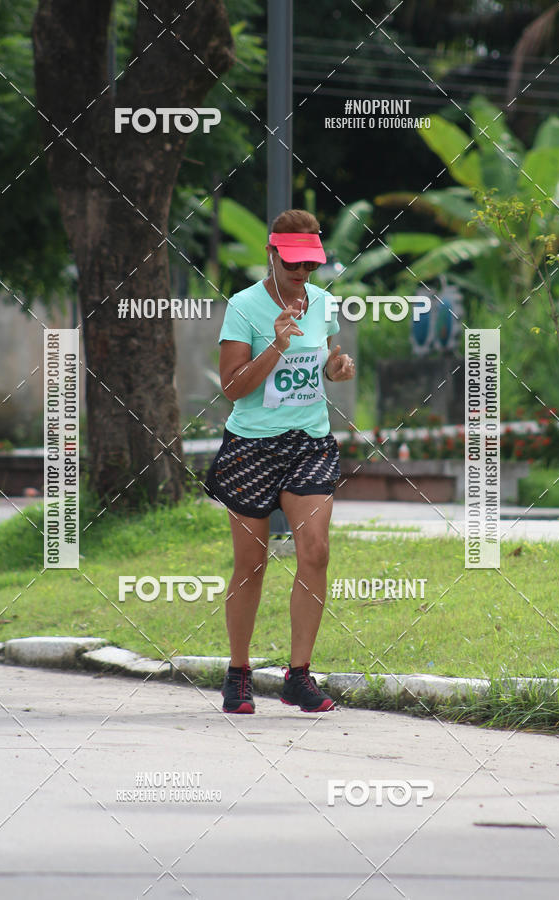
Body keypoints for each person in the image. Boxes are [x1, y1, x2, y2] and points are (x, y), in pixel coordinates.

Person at [204, 209, 355, 714]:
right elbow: (232, 387)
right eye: (293, 263)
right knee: (251, 563)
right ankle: (238, 673)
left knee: (316, 551)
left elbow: (324, 361)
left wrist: (335, 368)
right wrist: (275, 344)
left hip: (309, 442)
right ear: (271, 254)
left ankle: (299, 676)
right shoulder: (243, 306)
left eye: (311, 264)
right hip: (252, 447)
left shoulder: (323, 303)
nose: (302, 273)